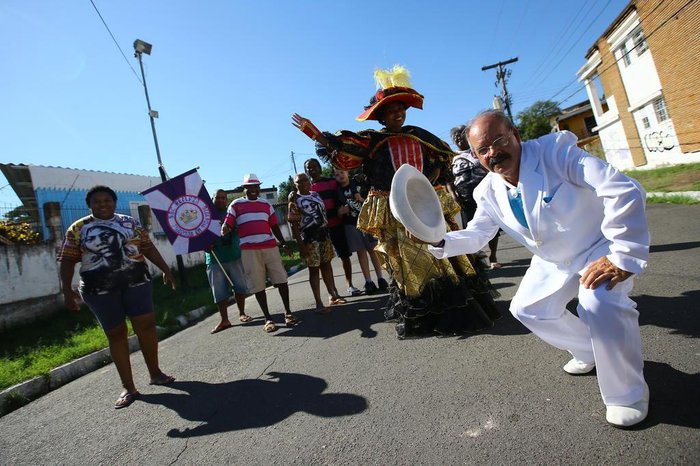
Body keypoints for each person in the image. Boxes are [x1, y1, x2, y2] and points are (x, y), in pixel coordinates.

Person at [426, 109, 650, 427]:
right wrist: (438, 240)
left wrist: (621, 256)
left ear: (515, 134)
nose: (493, 153)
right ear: (474, 156)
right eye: (482, 150)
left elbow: (621, 189)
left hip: (598, 246)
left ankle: (628, 393)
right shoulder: (486, 191)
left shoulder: (556, 152)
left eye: (499, 140)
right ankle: (591, 351)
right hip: (553, 259)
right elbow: (478, 236)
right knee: (528, 308)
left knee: (598, 302)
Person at [292, 65, 499, 338]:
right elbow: (344, 149)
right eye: (391, 110)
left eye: (400, 108)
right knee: (411, 258)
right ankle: (430, 314)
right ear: (381, 116)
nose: (397, 114)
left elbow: (440, 160)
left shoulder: (421, 135)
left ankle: (459, 307)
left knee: (444, 250)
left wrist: (426, 183)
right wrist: (315, 133)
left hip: (427, 201)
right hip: (395, 207)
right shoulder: (372, 141)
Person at [58, 185, 176, 409]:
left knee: (146, 327)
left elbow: (148, 248)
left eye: (107, 200)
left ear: (114, 202)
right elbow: (67, 260)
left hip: (137, 283)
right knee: (116, 333)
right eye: (97, 201)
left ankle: (156, 373)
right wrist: (66, 290)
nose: (103, 204)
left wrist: (165, 269)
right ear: (90, 205)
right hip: (99, 291)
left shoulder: (130, 223)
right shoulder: (78, 228)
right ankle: (128, 387)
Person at [221, 173, 298, 333]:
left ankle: (288, 312)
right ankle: (268, 318)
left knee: (281, 279)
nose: (254, 189)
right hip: (249, 250)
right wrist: (225, 228)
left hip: (270, 247)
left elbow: (274, 226)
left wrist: (283, 243)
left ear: (259, 188)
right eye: (250, 187)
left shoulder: (266, 204)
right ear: (245, 189)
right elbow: (228, 222)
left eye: (256, 186)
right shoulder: (236, 204)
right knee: (257, 284)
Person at [303, 158, 360, 298]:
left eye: (315, 166)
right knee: (325, 261)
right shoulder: (305, 188)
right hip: (319, 231)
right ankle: (332, 291)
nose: (312, 169)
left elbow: (345, 191)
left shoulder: (332, 182)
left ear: (320, 168)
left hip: (336, 224)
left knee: (344, 255)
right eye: (309, 168)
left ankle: (349, 285)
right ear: (306, 171)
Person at [288, 173, 343, 314]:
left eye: (306, 179)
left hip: (324, 234)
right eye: (299, 181)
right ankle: (318, 302)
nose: (304, 183)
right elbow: (294, 224)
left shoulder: (315, 195)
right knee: (314, 269)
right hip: (309, 238)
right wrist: (301, 245)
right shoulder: (294, 200)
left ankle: (332, 295)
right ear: (295, 184)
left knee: (327, 264)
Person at [450, 125, 502, 269]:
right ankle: (478, 259)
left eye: (461, 135)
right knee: (470, 228)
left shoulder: (478, 151)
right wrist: (454, 195)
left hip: (485, 195)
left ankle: (493, 256)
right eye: (455, 137)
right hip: (464, 198)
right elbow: (448, 180)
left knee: (493, 227)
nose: (458, 139)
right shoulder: (451, 157)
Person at [334, 168, 388, 294]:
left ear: (347, 173)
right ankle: (368, 281)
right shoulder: (337, 192)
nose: (340, 175)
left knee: (373, 250)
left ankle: (381, 278)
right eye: (337, 174)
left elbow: (371, 201)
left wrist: (361, 200)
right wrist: (340, 213)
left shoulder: (359, 185)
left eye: (342, 172)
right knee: (361, 252)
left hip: (366, 222)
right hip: (351, 224)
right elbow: (338, 212)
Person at [206, 189, 251, 334]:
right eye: (217, 197)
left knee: (240, 286)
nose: (220, 200)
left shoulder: (233, 213)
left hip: (234, 255)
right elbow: (198, 235)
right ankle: (224, 319)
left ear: (227, 199)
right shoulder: (205, 215)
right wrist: (204, 245)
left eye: (223, 198)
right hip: (214, 259)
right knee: (219, 292)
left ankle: (242, 313)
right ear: (212, 198)